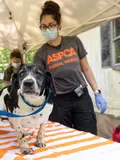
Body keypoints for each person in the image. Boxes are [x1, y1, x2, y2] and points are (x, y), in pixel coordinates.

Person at [33, 1, 107, 135]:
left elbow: (86, 69)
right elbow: (40, 83)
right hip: (59, 102)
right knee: (62, 138)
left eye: (51, 25)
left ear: (59, 25)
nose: (48, 29)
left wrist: (97, 92)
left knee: (88, 137)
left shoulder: (74, 41)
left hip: (81, 97)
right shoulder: (40, 54)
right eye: (43, 27)